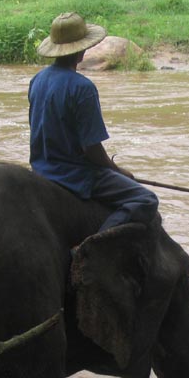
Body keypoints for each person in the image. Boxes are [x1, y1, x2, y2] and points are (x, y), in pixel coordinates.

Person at [28, 12, 158, 233]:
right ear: (81, 50)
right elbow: (92, 150)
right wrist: (118, 170)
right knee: (145, 199)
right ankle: (93, 245)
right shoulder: (82, 88)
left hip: (41, 169)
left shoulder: (38, 79)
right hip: (75, 175)